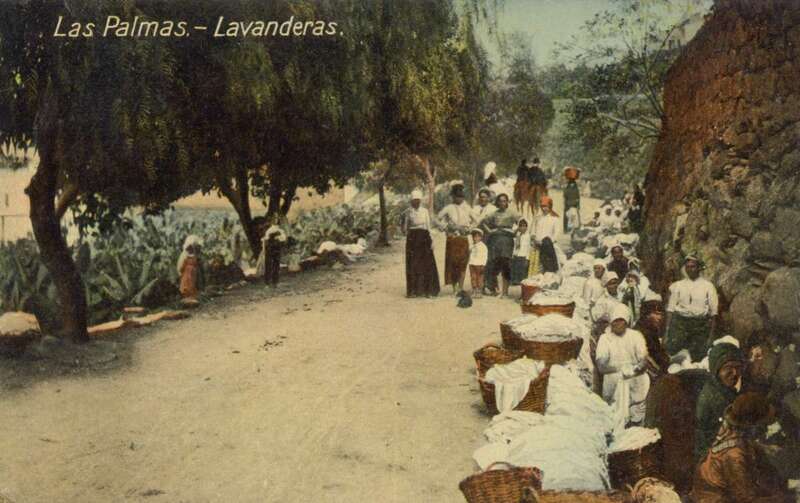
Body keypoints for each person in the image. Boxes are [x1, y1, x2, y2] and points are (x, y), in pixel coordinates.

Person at [691, 392, 792, 503]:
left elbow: (739, 441)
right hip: (714, 498)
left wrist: (763, 448)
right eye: (764, 423)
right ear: (753, 424)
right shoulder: (735, 456)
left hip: (719, 484)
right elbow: (746, 499)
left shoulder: (732, 427)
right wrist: (787, 498)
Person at [596, 304, 650, 426]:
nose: (618, 324)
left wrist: (635, 369)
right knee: (615, 421)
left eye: (621, 321)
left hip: (636, 382)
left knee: (637, 420)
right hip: (613, 384)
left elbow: (643, 360)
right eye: (615, 321)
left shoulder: (635, 336)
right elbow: (601, 366)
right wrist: (621, 369)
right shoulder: (605, 339)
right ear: (611, 323)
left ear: (626, 322)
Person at [695, 342, 746, 461]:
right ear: (716, 371)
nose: (734, 373)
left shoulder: (727, 391)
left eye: (737, 367)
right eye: (728, 368)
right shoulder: (712, 397)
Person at [665, 253, 719, 360]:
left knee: (698, 357)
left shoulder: (708, 286)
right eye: (687, 267)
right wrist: (667, 332)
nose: (689, 269)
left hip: (699, 326)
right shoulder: (678, 285)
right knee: (675, 355)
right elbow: (670, 310)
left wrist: (710, 336)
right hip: (680, 324)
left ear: (698, 268)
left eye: (693, 266)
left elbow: (714, 313)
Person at [437, 183, 475, 294]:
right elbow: (437, 218)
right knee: (453, 263)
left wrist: (469, 228)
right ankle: (454, 289)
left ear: (463, 197)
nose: (458, 198)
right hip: (453, 238)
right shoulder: (448, 208)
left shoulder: (468, 208)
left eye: (460, 196)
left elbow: (476, 220)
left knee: (463, 263)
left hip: (463, 238)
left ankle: (461, 288)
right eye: (456, 196)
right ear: (452, 196)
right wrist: (446, 227)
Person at [403, 189, 440, 298]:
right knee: (413, 264)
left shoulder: (424, 211)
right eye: (414, 200)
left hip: (424, 238)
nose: (416, 202)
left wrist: (431, 240)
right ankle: (414, 291)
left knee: (427, 263)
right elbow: (405, 228)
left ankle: (429, 290)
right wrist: (409, 235)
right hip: (413, 239)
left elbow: (428, 226)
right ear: (411, 201)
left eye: (418, 200)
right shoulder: (408, 212)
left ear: (420, 201)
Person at [481, 193, 518, 297]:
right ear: (497, 202)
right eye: (500, 201)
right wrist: (490, 231)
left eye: (504, 201)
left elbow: (522, 222)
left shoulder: (512, 213)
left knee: (506, 265)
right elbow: (483, 222)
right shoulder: (494, 213)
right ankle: (496, 290)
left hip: (507, 242)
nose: (502, 203)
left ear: (507, 202)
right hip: (495, 241)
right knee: (495, 265)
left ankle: (505, 292)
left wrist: (513, 231)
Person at [634, 293, 671, 376]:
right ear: (646, 315)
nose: (660, 317)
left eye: (661, 314)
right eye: (656, 314)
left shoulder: (651, 329)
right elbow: (647, 358)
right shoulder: (640, 331)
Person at [532, 195, 560, 274]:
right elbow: (533, 230)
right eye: (542, 206)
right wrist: (534, 238)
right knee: (536, 268)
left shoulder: (555, 218)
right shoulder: (537, 217)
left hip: (549, 246)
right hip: (537, 245)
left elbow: (556, 234)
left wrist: (547, 242)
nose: (543, 208)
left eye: (545, 206)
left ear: (550, 206)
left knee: (549, 268)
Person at [178, 235, 204, 300]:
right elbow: (181, 265)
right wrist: (181, 271)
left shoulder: (195, 256)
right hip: (188, 272)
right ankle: (187, 296)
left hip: (192, 272)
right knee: (187, 283)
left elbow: (198, 263)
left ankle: (191, 295)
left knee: (192, 283)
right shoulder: (186, 257)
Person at [262, 220, 287, 287]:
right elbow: (283, 240)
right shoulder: (279, 231)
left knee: (270, 266)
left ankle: (270, 282)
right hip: (274, 249)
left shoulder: (270, 230)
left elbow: (266, 241)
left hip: (271, 249)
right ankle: (273, 282)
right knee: (274, 265)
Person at [510, 219, 531, 286]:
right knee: (515, 272)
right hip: (516, 256)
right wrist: (513, 255)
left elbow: (528, 248)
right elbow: (515, 246)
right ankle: (515, 288)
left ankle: (521, 288)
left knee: (522, 274)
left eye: (524, 226)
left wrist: (527, 259)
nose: (523, 228)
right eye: (521, 226)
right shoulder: (517, 236)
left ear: (526, 227)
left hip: (523, 256)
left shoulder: (528, 236)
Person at [468, 229, 488, 298]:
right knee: (473, 277)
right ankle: (474, 290)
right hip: (472, 264)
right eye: (474, 237)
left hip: (480, 264)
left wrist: (483, 264)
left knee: (480, 278)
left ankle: (479, 291)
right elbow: (470, 253)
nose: (476, 238)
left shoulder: (483, 246)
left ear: (481, 237)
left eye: (478, 236)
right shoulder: (472, 245)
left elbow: (485, 256)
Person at [563, 166, 581, 233]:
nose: (572, 182)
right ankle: (566, 228)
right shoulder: (571, 188)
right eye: (571, 181)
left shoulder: (570, 188)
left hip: (571, 203)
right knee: (570, 215)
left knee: (573, 216)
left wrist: (578, 205)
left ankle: (572, 228)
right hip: (570, 203)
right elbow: (565, 196)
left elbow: (578, 197)